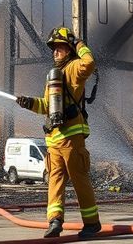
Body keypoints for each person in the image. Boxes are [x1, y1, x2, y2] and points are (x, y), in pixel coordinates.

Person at [16, 26, 100, 238]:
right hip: (53, 140)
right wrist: (29, 103)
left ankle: (92, 223)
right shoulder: (53, 76)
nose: (55, 52)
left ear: (69, 49)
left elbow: (89, 63)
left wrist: (78, 43)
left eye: (60, 48)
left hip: (72, 139)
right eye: (53, 49)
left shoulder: (74, 68)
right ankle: (55, 222)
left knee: (79, 178)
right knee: (55, 181)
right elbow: (47, 106)